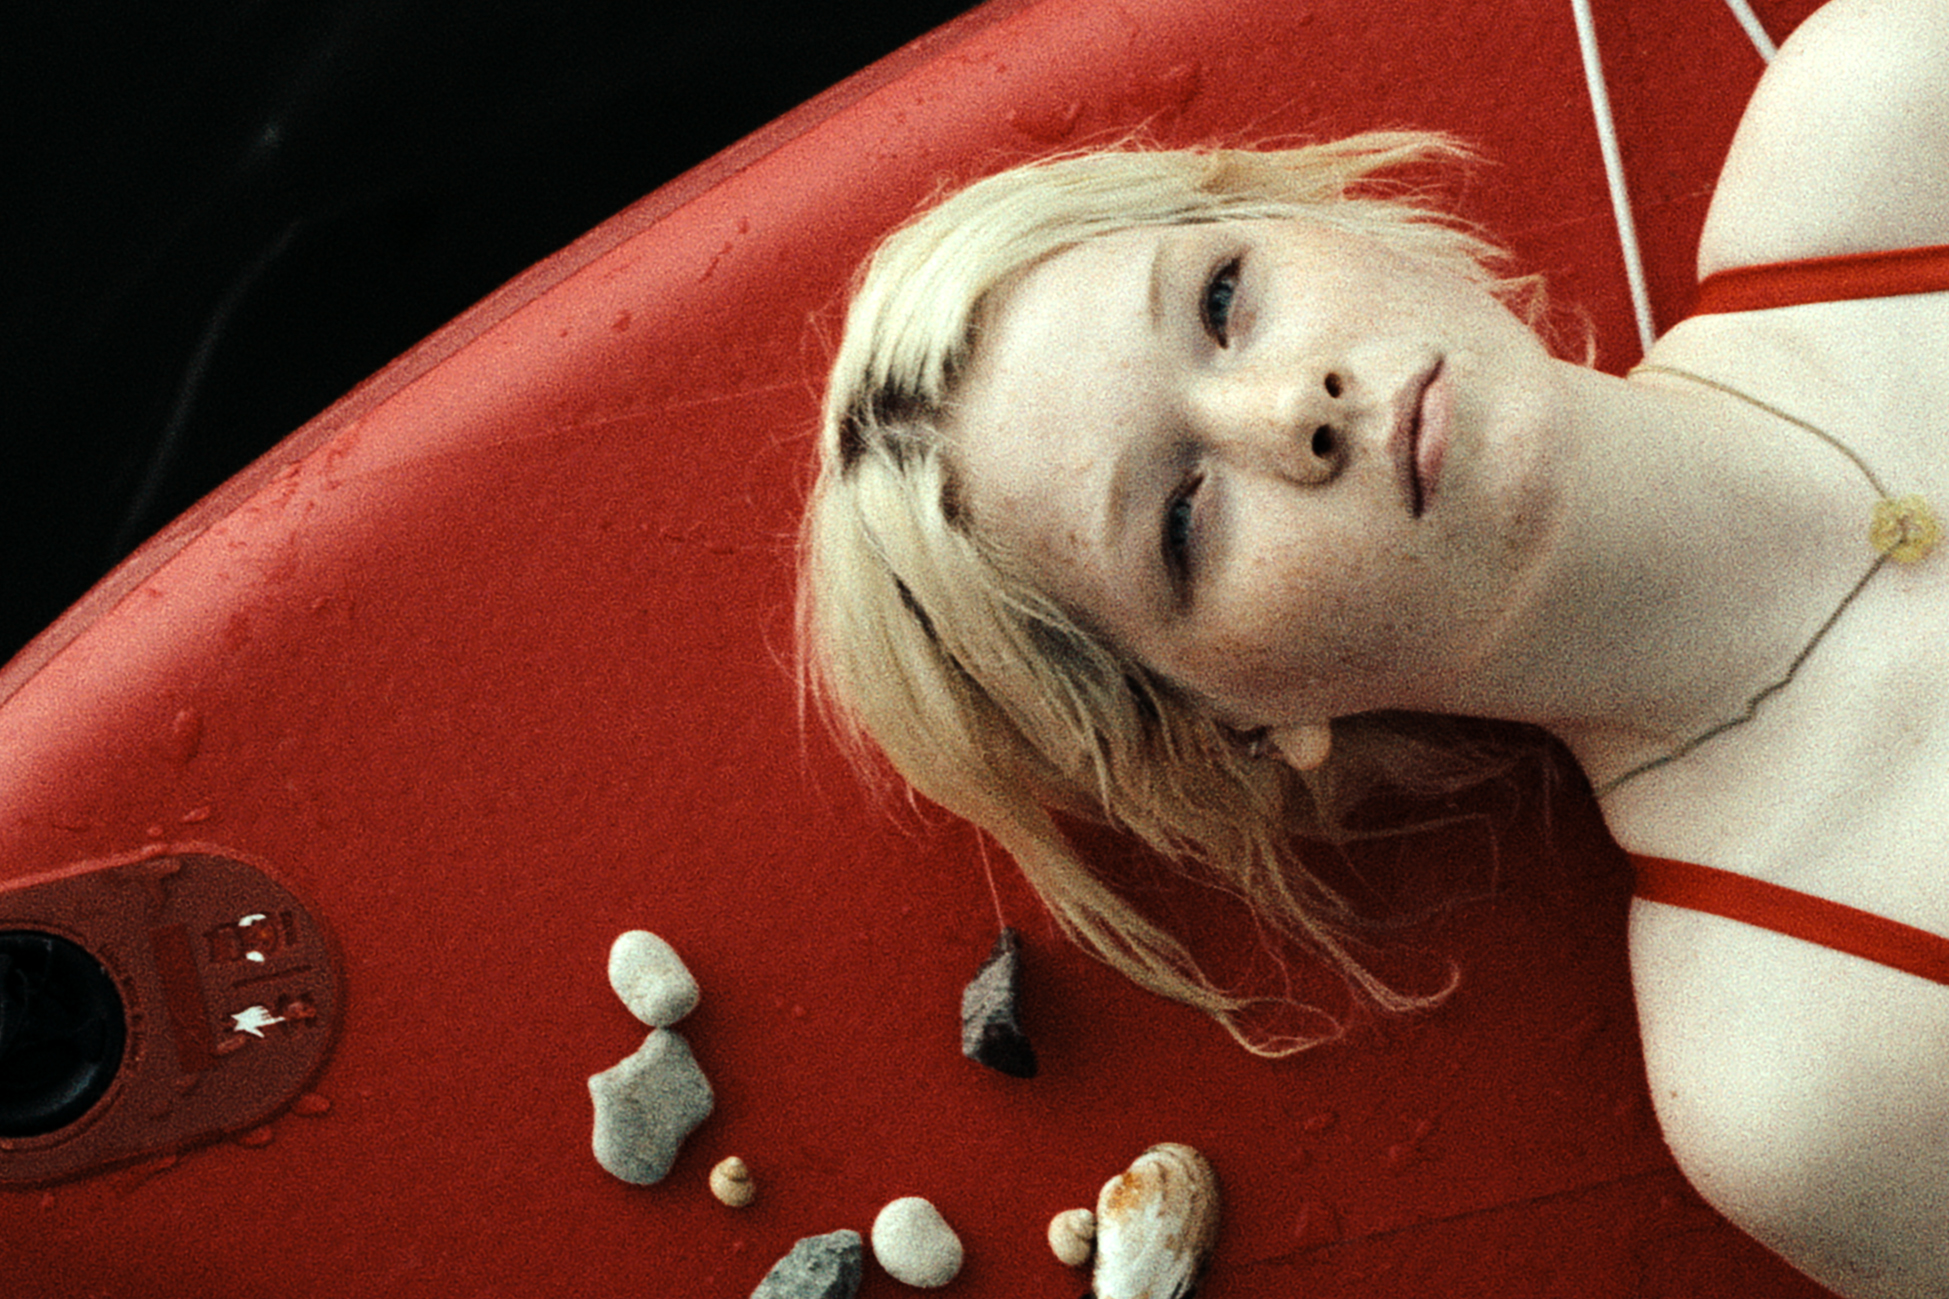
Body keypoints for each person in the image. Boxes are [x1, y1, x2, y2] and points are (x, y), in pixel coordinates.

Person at [799, 1, 1949, 1293]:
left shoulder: (1896, 111)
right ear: (1236, 722)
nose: (1293, 408)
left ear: (1317, 220)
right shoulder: (1807, 1065)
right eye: (1181, 519)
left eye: (1222, 300)